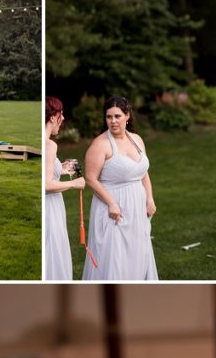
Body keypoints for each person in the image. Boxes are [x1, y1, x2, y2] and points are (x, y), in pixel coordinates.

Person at [82, 96, 157, 280]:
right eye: (109, 117)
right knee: (114, 255)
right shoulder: (100, 145)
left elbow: (143, 172)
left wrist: (149, 198)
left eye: (117, 116)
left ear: (127, 116)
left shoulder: (137, 140)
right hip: (112, 207)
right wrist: (111, 203)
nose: (113, 121)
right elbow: (91, 179)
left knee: (136, 251)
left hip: (137, 206)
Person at [45, 96, 86, 280]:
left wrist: (62, 169)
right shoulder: (50, 145)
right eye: (61, 115)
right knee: (52, 251)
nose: (62, 120)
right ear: (53, 117)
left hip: (52, 206)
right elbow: (45, 185)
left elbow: (46, 173)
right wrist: (74, 183)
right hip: (50, 207)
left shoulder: (44, 141)